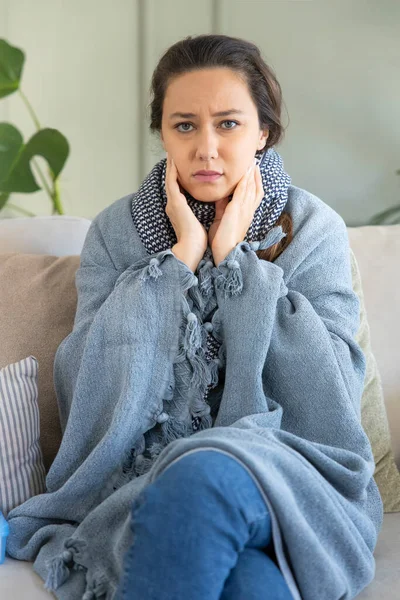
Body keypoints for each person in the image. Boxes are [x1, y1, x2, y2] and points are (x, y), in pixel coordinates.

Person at [6, 34, 383, 600]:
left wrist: (235, 261)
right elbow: (89, 386)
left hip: (290, 475)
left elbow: (328, 390)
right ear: (163, 132)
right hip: (138, 486)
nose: (206, 148)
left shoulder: (311, 228)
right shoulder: (117, 233)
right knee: (253, 584)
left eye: (228, 124)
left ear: (263, 132)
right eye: (185, 125)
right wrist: (178, 260)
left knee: (202, 475)